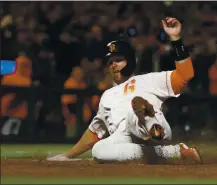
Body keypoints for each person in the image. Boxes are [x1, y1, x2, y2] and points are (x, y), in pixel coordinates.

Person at [47, 17, 202, 164]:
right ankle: (175, 152)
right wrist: (67, 155)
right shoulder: (107, 96)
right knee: (98, 150)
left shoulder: (148, 80)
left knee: (133, 112)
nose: (113, 65)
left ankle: (149, 121)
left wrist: (176, 39)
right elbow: (94, 133)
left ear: (130, 61)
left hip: (152, 130)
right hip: (125, 138)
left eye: (118, 60)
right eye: (110, 62)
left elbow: (185, 74)